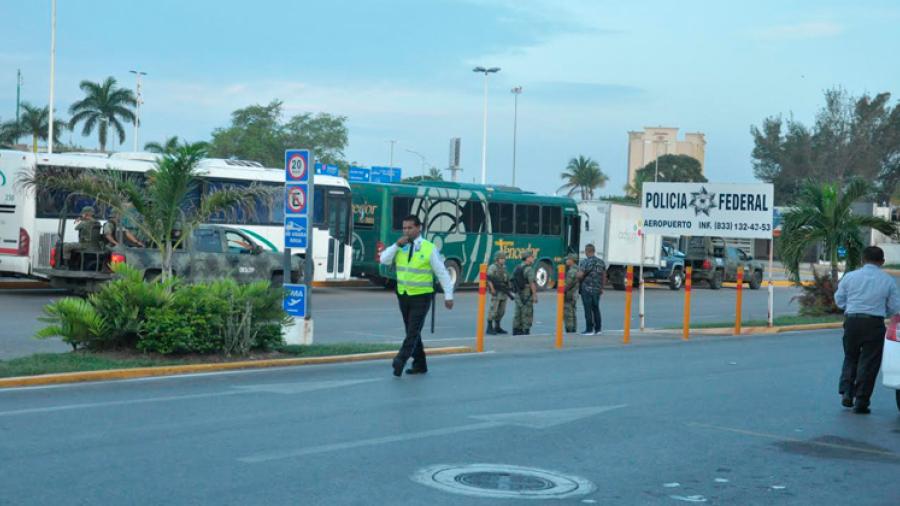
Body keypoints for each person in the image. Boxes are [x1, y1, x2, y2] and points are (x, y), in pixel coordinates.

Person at [379, 215, 454, 377]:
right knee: (412, 331)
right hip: (403, 295)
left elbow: (442, 272)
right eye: (404, 228)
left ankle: (400, 360)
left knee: (412, 331)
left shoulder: (429, 248)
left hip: (422, 296)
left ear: (418, 228)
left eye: (410, 228)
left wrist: (448, 294)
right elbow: (383, 260)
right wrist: (396, 245)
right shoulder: (399, 246)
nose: (406, 231)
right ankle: (420, 364)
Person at [834, 246, 900, 414]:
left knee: (851, 357)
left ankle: (847, 393)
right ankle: (861, 401)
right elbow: (895, 307)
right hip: (874, 323)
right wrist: (883, 311)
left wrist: (850, 307)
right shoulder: (888, 280)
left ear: (862, 260)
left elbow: (839, 299)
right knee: (869, 363)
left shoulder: (850, 277)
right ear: (882, 262)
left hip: (852, 321)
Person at [577, 243, 605, 335]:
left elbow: (580, 275)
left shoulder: (585, 262)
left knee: (588, 309)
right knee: (596, 308)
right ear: (594, 251)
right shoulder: (601, 262)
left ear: (587, 251)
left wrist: (577, 275)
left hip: (587, 289)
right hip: (597, 289)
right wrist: (601, 287)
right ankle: (598, 329)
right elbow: (604, 276)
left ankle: (589, 329)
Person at [512, 251, 538, 335]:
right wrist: (534, 295)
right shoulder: (529, 269)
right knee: (527, 312)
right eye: (531, 257)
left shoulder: (517, 267)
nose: (533, 258)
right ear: (527, 258)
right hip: (526, 294)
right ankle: (526, 330)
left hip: (518, 293)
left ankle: (516, 330)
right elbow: (532, 283)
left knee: (518, 312)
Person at [486, 251, 510, 335]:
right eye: (502, 258)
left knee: (501, 311)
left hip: (503, 292)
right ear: (497, 259)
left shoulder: (504, 267)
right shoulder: (492, 267)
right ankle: (489, 327)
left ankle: (497, 326)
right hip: (496, 292)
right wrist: (492, 289)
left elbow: (506, 278)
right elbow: (489, 279)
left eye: (504, 258)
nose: (503, 260)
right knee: (493, 310)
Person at [564, 254, 580, 333]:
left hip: (569, 294)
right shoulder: (577, 269)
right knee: (573, 312)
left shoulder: (572, 271)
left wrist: (562, 291)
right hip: (574, 294)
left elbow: (568, 284)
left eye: (567, 259)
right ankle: (573, 329)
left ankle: (570, 329)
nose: (566, 261)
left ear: (571, 260)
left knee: (568, 313)